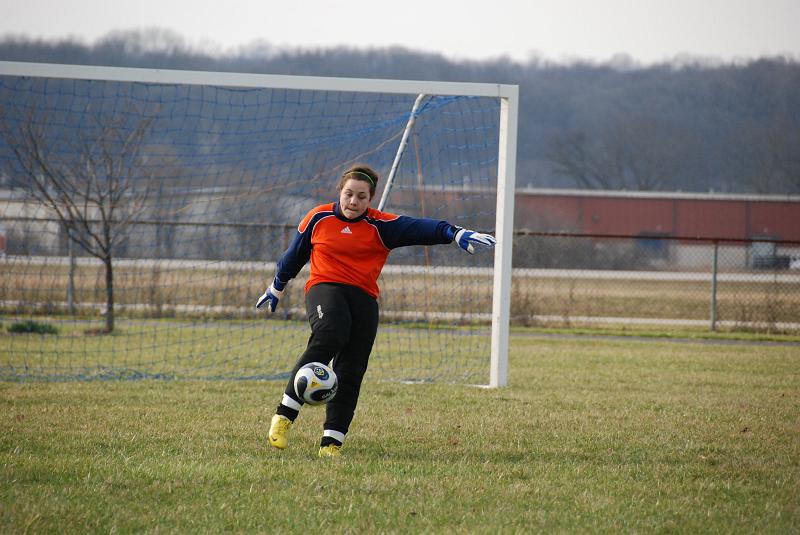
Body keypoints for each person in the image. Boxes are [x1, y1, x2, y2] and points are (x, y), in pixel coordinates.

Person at [256, 164, 496, 457]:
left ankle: (331, 444)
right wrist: (276, 287)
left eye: (361, 197)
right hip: (324, 288)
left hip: (364, 299)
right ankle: (283, 417)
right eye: (348, 194)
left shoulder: (382, 225)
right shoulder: (318, 218)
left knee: (352, 368)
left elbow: (421, 227)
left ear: (371, 199)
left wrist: (454, 233)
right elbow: (293, 257)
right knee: (331, 334)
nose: (353, 202)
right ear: (339, 193)